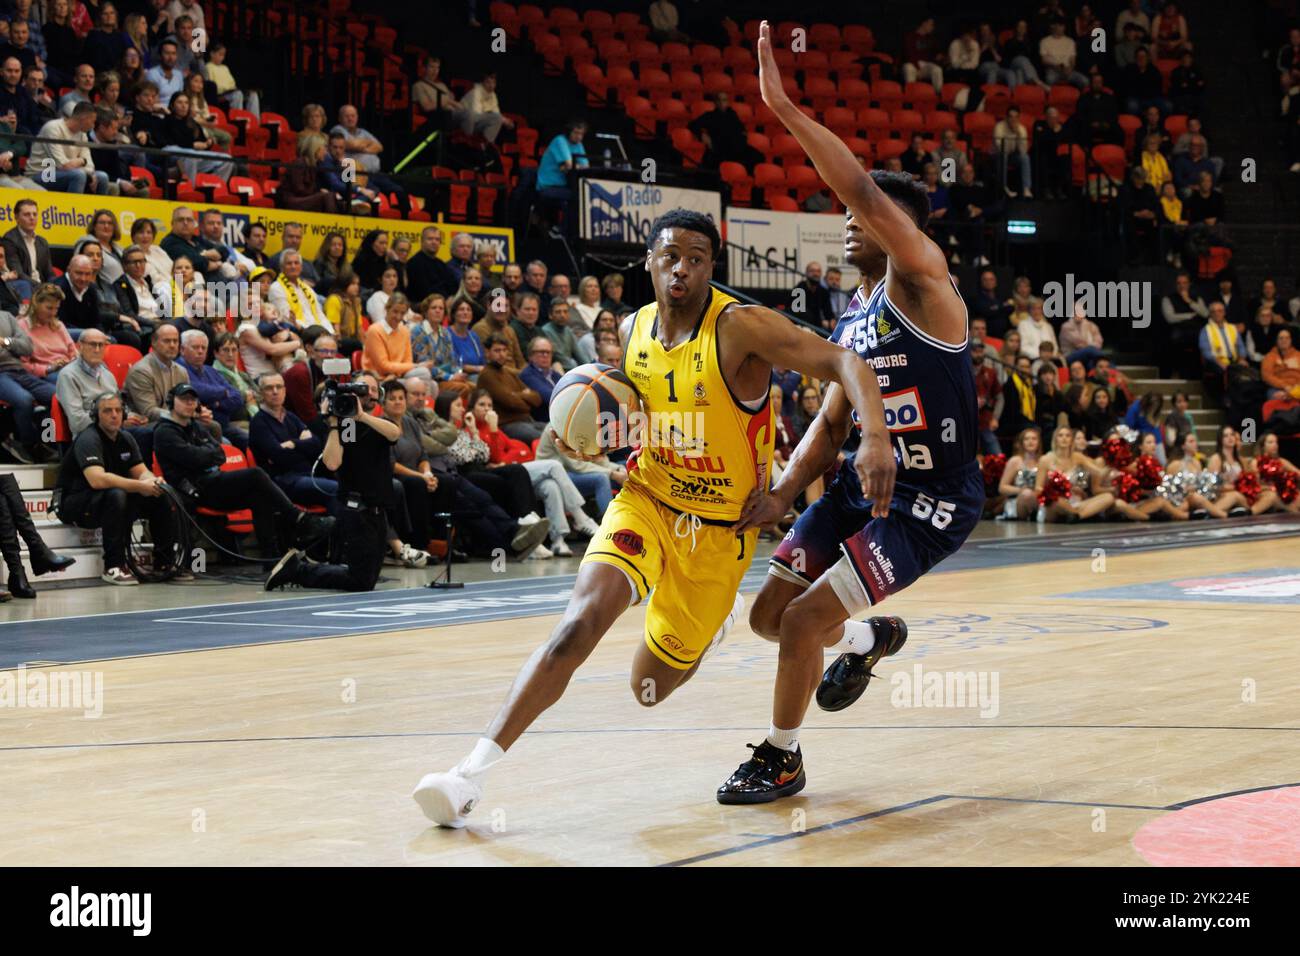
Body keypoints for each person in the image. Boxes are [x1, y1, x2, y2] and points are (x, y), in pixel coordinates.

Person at [411, 185, 892, 823]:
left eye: (697, 258)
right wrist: (585, 432)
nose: (682, 268)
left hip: (718, 534)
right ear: (649, 261)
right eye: (671, 256)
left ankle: (759, 630)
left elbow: (847, 362)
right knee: (577, 627)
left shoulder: (741, 327)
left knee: (649, 689)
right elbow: (627, 417)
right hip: (646, 500)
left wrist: (874, 438)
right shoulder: (634, 329)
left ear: (710, 267)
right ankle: (467, 775)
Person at [698, 24, 987, 805]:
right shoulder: (855, 310)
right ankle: (866, 640)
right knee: (769, 614)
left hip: (929, 503)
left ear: (903, 223)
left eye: (869, 211)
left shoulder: (923, 279)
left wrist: (783, 108)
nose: (850, 218)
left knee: (798, 627)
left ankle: (781, 758)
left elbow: (858, 187)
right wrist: (784, 495)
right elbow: (831, 424)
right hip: (859, 490)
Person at [153, 381, 335, 558]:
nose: (190, 403)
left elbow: (220, 454)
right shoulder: (165, 432)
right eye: (184, 399)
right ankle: (299, 519)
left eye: (192, 400)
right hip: (194, 490)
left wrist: (204, 455)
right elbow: (195, 457)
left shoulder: (197, 427)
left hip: (212, 481)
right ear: (171, 403)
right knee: (255, 474)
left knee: (260, 497)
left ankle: (271, 560)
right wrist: (205, 454)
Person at [264, 376, 398, 592]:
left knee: (365, 580)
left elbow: (394, 433)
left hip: (378, 509)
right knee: (360, 581)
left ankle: (297, 568)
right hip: (358, 508)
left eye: (373, 390)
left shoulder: (380, 425)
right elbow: (333, 462)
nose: (369, 395)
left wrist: (362, 416)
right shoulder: (348, 428)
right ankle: (298, 570)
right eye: (363, 391)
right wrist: (335, 424)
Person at [54, 390, 174, 587]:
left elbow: (141, 472)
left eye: (118, 410)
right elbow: (97, 480)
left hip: (104, 499)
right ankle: (113, 566)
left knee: (160, 494)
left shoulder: (126, 438)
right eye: (107, 411)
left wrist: (153, 482)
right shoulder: (88, 439)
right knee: (116, 495)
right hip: (73, 503)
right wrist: (139, 486)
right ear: (96, 415)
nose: (114, 415)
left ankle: (164, 563)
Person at [249, 370, 336, 513]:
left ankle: (338, 532)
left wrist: (293, 444)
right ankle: (340, 533)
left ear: (285, 390)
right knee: (335, 489)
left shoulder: (290, 416)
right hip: (283, 482)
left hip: (307, 476)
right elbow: (279, 455)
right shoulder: (258, 422)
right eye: (269, 388)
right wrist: (303, 446)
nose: (275, 391)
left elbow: (316, 445)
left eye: (279, 387)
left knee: (346, 489)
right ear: (260, 393)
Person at [476, 334, 544, 443]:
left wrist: (516, 394)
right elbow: (511, 402)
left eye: (504, 350)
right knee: (544, 439)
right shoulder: (487, 375)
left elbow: (537, 399)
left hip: (527, 421)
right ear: (487, 353)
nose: (502, 354)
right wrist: (524, 396)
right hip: (507, 425)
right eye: (497, 351)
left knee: (555, 431)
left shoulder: (508, 372)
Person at [406, 226, 459, 303]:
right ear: (422, 241)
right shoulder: (414, 263)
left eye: (437, 239)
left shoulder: (441, 264)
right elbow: (423, 291)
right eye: (430, 239)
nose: (434, 242)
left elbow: (453, 288)